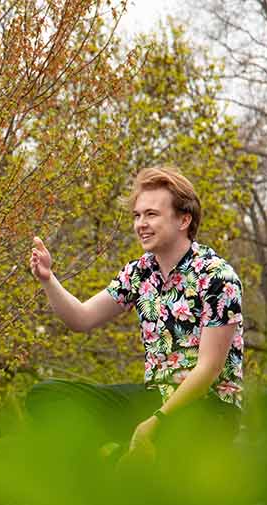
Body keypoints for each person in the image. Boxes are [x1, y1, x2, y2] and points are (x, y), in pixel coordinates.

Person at [27, 166, 244, 456]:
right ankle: (107, 465)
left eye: (151, 214)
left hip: (205, 409)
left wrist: (155, 423)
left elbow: (209, 369)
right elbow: (81, 318)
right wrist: (47, 278)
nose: (140, 223)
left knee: (169, 442)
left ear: (184, 219)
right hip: (154, 397)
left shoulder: (217, 276)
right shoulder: (140, 272)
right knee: (47, 397)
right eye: (137, 215)